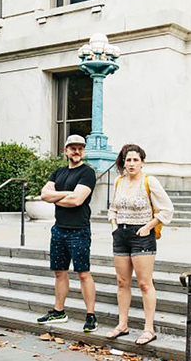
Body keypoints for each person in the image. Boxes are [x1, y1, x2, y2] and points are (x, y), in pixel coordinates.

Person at [106, 144, 174, 345]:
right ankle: (122, 325)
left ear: (142, 162)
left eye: (136, 160)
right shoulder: (118, 181)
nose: (132, 163)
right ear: (124, 162)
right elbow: (113, 208)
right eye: (128, 160)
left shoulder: (149, 181)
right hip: (121, 235)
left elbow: (167, 209)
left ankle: (149, 329)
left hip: (142, 235)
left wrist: (148, 227)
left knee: (145, 283)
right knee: (122, 282)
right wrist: (114, 226)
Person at [37, 135, 98, 332]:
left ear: (84, 151)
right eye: (72, 148)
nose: (76, 151)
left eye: (80, 148)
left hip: (79, 230)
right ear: (66, 151)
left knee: (83, 273)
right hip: (59, 229)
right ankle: (59, 311)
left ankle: (90, 316)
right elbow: (44, 194)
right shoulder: (58, 172)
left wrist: (56, 197)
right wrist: (66, 194)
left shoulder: (87, 172)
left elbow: (77, 201)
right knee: (59, 272)